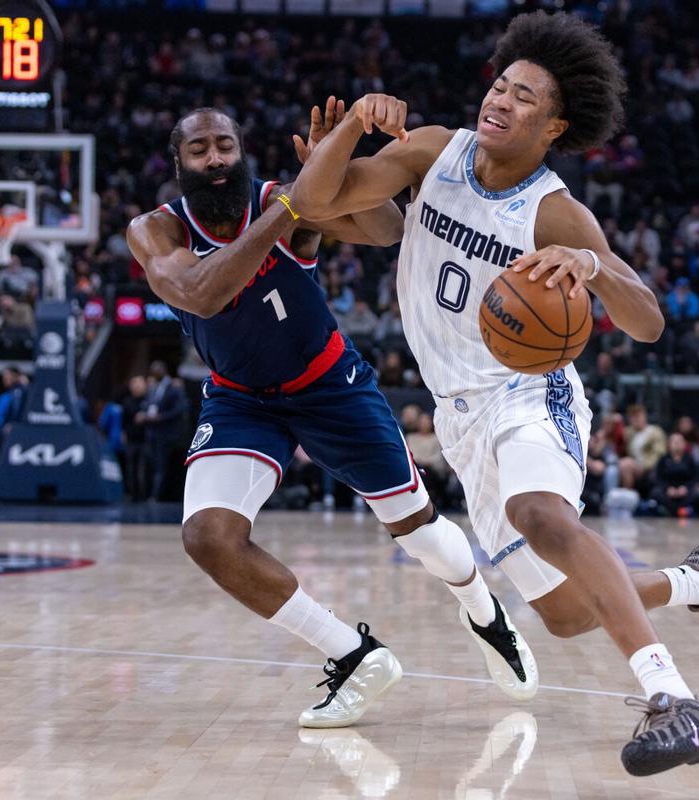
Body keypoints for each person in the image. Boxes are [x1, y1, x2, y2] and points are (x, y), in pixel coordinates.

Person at [291, 12, 699, 775]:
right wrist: (353, 128)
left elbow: (649, 322)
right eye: (500, 85)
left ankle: (673, 700)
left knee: (540, 515)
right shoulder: (434, 150)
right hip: (460, 415)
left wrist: (593, 266)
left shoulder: (554, 211)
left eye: (525, 97)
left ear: (556, 125)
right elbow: (317, 203)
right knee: (568, 615)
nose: (500, 101)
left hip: (530, 393)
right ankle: (698, 582)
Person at [126, 103, 535, 731]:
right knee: (208, 538)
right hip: (240, 398)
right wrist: (291, 209)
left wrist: (330, 170)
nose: (215, 160)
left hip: (329, 386)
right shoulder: (158, 230)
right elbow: (203, 292)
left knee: (422, 535)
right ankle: (355, 654)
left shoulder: (288, 200)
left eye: (225, 146)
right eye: (200, 150)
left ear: (243, 151)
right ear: (178, 164)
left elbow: (388, 228)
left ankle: (484, 612)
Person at [140, 360, 188, 501]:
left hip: (169, 434)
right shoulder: (153, 388)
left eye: (157, 370)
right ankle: (152, 495)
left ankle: (159, 496)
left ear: (163, 371)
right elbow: (149, 405)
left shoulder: (174, 387)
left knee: (165, 467)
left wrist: (161, 417)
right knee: (153, 465)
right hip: (153, 433)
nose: (154, 373)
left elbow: (181, 409)